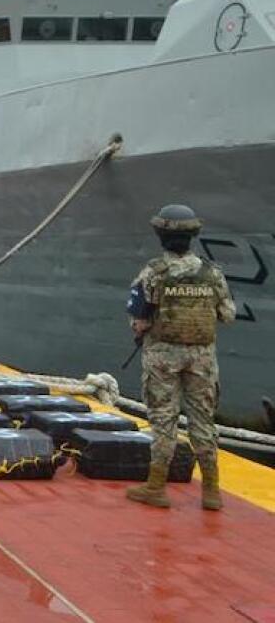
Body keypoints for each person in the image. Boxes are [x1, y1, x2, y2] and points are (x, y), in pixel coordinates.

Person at [124, 204, 235, 510]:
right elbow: (228, 314)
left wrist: (144, 328)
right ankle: (211, 491)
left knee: (164, 420)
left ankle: (156, 487)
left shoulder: (153, 272)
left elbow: (140, 319)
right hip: (202, 358)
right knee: (203, 421)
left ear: (160, 235)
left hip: (162, 357)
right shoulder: (212, 273)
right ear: (194, 235)